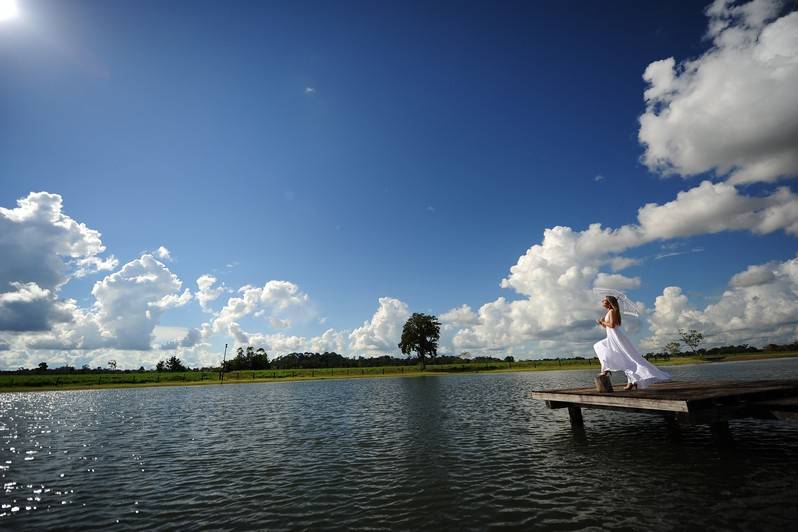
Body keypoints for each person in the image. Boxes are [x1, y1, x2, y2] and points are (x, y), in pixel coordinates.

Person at [593, 295, 671, 391]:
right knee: (601, 347)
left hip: (616, 337)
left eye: (604, 300)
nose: (602, 301)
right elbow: (609, 327)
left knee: (627, 358)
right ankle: (613, 372)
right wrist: (602, 323)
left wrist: (603, 321)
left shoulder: (612, 311)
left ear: (609, 302)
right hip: (612, 336)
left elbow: (612, 325)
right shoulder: (610, 312)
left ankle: (609, 371)